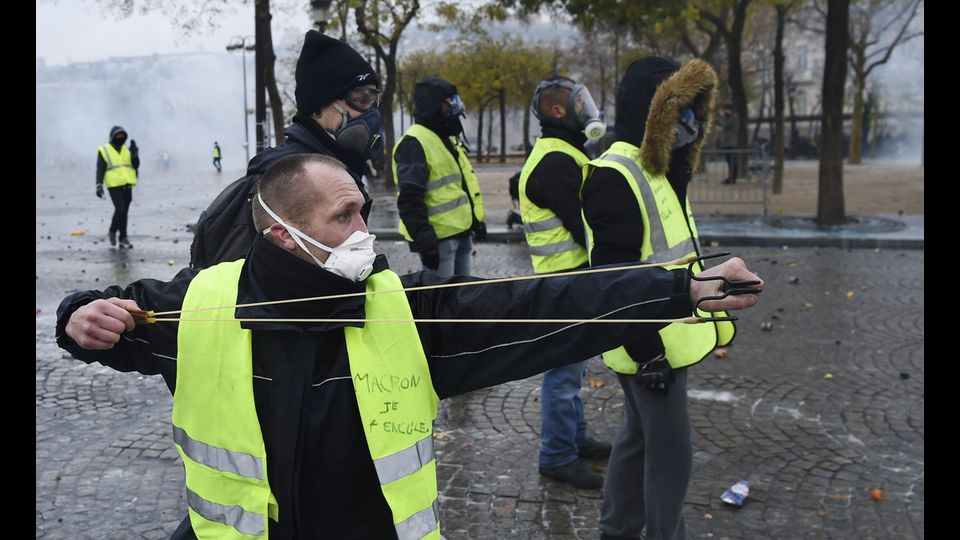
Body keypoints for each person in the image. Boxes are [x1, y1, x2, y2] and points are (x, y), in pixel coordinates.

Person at [57, 153, 761, 540]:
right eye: (347, 215)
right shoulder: (199, 304)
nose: (368, 230)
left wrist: (679, 291)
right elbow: (111, 322)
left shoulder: (405, 311)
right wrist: (78, 318)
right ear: (284, 235)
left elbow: (535, 308)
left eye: (365, 208)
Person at [582, 57, 733, 540]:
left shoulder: (658, 168)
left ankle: (617, 528)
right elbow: (614, 276)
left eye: (695, 110)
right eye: (682, 108)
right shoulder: (616, 173)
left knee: (638, 440)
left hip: (668, 336)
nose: (690, 120)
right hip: (651, 344)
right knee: (671, 453)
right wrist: (648, 352)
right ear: (657, 111)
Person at [189, 30, 384, 270]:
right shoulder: (279, 179)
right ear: (318, 108)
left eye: (373, 100)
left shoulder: (339, 170)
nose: (371, 113)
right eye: (361, 99)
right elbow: (244, 286)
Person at [519, 75, 611, 489]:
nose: (585, 109)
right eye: (578, 102)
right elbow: (584, 225)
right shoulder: (557, 160)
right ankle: (557, 455)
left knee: (572, 368)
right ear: (558, 112)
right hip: (565, 282)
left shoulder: (559, 153)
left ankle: (574, 439)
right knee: (563, 372)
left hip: (567, 280)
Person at [395, 76, 485, 277]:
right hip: (439, 240)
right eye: (449, 102)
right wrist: (424, 241)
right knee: (440, 302)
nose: (455, 106)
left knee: (463, 298)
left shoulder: (445, 137)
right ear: (434, 105)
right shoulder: (415, 142)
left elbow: (462, 184)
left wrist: (475, 221)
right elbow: (410, 198)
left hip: (461, 234)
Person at [96, 126, 139, 249]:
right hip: (114, 184)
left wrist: (135, 154)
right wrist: (99, 185)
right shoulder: (104, 150)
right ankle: (112, 231)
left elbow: (135, 165)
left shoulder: (127, 149)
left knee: (124, 212)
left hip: (127, 183)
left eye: (122, 135)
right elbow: (100, 169)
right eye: (118, 135)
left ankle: (123, 238)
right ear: (112, 136)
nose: (120, 137)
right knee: (120, 210)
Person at [717, 103, 739, 184]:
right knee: (729, 162)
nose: (724, 112)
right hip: (726, 143)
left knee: (733, 161)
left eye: (725, 110)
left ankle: (733, 179)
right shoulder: (728, 117)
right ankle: (731, 178)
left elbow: (725, 124)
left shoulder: (734, 117)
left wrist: (721, 116)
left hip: (731, 143)